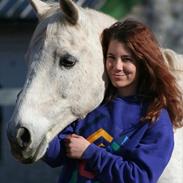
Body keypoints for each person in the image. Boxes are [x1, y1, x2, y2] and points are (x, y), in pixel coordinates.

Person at [43, 19, 183, 183]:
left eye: (126, 59)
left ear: (143, 62)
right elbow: (56, 155)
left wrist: (89, 152)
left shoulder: (156, 119)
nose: (117, 66)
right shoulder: (90, 105)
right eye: (111, 57)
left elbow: (138, 177)